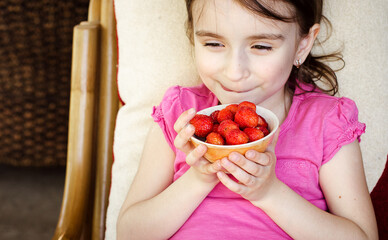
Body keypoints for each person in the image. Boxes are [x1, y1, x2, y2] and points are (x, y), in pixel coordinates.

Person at [117, 0, 378, 239]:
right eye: (213, 44)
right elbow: (130, 233)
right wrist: (200, 179)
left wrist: (268, 193)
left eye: (261, 46)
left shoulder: (325, 122)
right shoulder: (180, 114)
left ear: (302, 45)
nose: (235, 71)